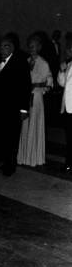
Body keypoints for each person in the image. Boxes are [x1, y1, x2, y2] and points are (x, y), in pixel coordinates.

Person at [0, 33, 31, 176]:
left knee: (12, 138)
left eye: (6, 46)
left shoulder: (20, 63)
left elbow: (25, 87)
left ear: (12, 48)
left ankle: (10, 166)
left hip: (13, 108)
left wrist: (23, 109)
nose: (2, 49)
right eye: (1, 46)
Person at [18, 33, 53, 167]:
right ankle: (24, 156)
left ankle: (34, 158)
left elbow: (49, 84)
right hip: (25, 97)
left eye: (34, 46)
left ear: (39, 47)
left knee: (35, 126)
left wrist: (37, 86)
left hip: (37, 98)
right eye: (29, 46)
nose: (31, 48)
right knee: (25, 126)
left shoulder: (44, 63)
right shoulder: (25, 62)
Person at [57, 35, 72, 173]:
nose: (68, 52)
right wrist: (61, 70)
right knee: (69, 138)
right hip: (68, 107)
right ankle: (69, 163)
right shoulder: (68, 64)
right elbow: (62, 83)